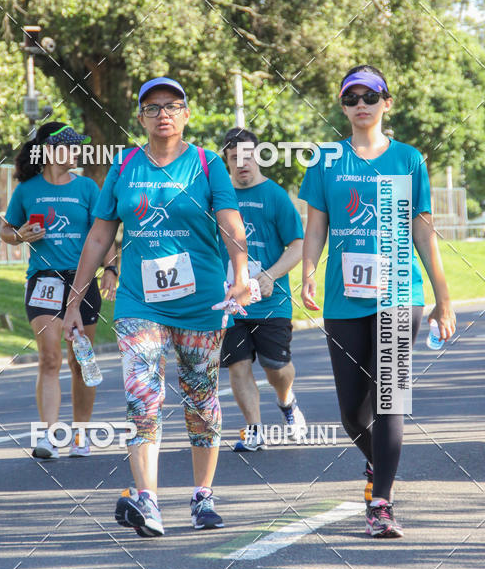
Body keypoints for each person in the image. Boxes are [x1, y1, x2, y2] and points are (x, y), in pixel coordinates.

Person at [62, 77, 251, 537]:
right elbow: (101, 235)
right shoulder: (124, 165)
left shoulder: (207, 165)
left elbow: (229, 221)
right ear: (141, 118)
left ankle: (202, 496)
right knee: (143, 397)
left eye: (172, 105)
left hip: (201, 299)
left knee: (201, 398)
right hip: (138, 301)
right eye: (152, 107)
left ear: (186, 114)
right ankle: (147, 501)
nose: (163, 113)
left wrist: (241, 273)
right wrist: (75, 299)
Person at [299, 64, 456, 538]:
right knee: (351, 411)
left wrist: (442, 299)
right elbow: (316, 224)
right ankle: (380, 465)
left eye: (371, 96)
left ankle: (381, 502)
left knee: (390, 399)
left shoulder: (409, 159)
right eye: (352, 98)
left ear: (388, 103)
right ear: (343, 107)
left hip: (397, 295)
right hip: (343, 298)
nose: (361, 104)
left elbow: (423, 233)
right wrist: (308, 273)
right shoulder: (325, 160)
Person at [1, 121, 118, 460]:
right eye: (69, 146)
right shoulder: (27, 190)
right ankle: (49, 436)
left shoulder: (88, 189)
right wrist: (19, 235)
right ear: (49, 151)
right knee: (50, 359)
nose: (77, 152)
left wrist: (111, 267)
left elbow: (102, 234)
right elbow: (5, 230)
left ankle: (80, 434)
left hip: (82, 283)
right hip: (44, 282)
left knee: (79, 360)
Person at [219, 127, 306, 451]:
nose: (242, 164)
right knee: (238, 365)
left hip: (271, 301)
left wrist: (270, 275)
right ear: (226, 161)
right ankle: (254, 429)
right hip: (231, 300)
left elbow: (298, 245)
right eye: (234, 158)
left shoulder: (275, 196)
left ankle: (287, 402)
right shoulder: (219, 197)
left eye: (247, 156)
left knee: (276, 367)